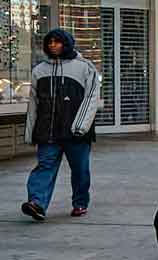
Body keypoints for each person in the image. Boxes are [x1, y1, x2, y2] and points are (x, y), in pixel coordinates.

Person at [22, 29, 102, 221]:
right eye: (50, 42)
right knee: (44, 166)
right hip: (47, 131)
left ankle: (80, 202)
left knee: (80, 169)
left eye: (57, 42)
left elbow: (91, 99)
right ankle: (36, 203)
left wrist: (80, 126)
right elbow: (33, 103)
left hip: (76, 132)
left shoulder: (85, 67)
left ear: (66, 44)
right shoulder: (39, 70)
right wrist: (30, 131)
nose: (53, 45)